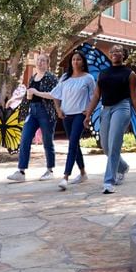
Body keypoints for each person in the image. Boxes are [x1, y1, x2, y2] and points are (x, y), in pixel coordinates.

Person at [83, 45, 136, 194]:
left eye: (118, 51)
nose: (115, 53)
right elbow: (96, 96)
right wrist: (88, 115)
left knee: (114, 145)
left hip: (122, 107)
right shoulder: (102, 74)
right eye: (112, 51)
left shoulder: (130, 74)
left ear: (123, 54)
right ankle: (123, 167)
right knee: (105, 146)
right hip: (105, 109)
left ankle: (108, 181)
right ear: (110, 54)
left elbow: (134, 98)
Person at [30, 51, 95, 190]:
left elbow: (94, 97)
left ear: (83, 62)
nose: (75, 62)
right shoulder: (65, 77)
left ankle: (65, 176)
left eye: (78, 59)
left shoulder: (88, 78)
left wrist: (89, 112)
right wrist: (58, 109)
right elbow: (55, 94)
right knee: (75, 145)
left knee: (72, 144)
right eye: (73, 59)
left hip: (80, 115)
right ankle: (83, 173)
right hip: (66, 116)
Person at [7, 53, 59, 182]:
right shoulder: (33, 77)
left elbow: (55, 95)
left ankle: (50, 170)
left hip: (46, 111)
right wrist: (15, 98)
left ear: (47, 63)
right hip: (33, 111)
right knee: (24, 139)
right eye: (39, 60)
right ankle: (21, 171)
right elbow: (28, 93)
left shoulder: (51, 77)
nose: (40, 63)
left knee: (47, 141)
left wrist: (38, 93)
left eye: (43, 61)